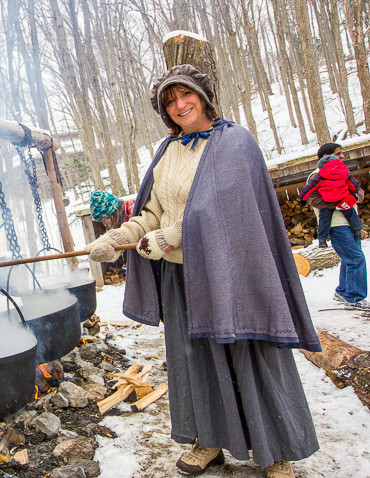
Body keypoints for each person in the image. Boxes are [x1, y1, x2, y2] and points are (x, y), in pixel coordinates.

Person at [85, 64, 320, 478]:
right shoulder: (167, 152)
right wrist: (117, 239)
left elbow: (229, 212)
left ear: (203, 95)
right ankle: (209, 442)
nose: (179, 105)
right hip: (183, 278)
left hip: (233, 275)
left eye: (185, 94)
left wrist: (172, 236)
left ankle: (275, 450)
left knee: (248, 354)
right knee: (197, 360)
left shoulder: (235, 143)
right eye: (169, 100)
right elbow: (152, 212)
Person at [305, 143, 369, 310]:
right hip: (336, 224)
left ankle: (343, 291)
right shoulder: (316, 176)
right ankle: (354, 298)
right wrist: (338, 201)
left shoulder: (342, 172)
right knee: (356, 259)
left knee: (350, 258)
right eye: (339, 153)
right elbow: (314, 200)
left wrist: (352, 196)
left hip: (351, 222)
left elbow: (359, 193)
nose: (342, 156)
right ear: (326, 156)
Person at [300, 152, 363, 248]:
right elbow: (354, 184)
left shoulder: (320, 176)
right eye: (338, 153)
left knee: (324, 220)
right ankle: (358, 231)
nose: (342, 156)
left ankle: (322, 240)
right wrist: (354, 194)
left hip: (328, 200)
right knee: (352, 214)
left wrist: (303, 199)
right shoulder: (344, 173)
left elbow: (308, 188)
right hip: (342, 202)